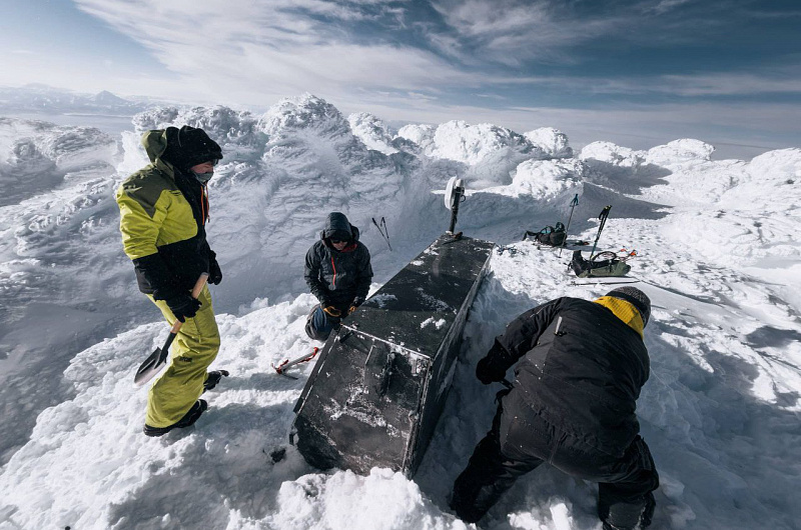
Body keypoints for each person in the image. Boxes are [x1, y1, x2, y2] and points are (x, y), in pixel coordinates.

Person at [450, 287, 659, 530]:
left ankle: (459, 514)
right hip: (596, 450)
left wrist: (491, 366)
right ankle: (620, 525)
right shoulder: (641, 356)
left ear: (607, 299)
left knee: (498, 461)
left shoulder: (570, 307)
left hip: (524, 420)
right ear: (640, 320)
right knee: (634, 478)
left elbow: (521, 331)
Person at [116, 125, 228, 437]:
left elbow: (190, 231)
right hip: (171, 281)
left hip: (191, 275)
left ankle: (192, 379)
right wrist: (171, 291)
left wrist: (208, 258)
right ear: (186, 159)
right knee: (203, 344)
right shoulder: (147, 187)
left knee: (193, 337)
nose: (212, 170)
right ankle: (166, 415)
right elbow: (139, 246)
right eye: (208, 163)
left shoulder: (185, 181)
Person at [304, 212, 373, 341]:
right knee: (317, 334)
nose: (341, 243)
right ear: (328, 238)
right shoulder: (317, 250)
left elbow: (365, 278)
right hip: (330, 298)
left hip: (352, 297)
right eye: (336, 240)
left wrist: (358, 301)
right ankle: (316, 312)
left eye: (344, 240)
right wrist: (324, 302)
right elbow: (310, 277)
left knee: (362, 332)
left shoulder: (359, 250)